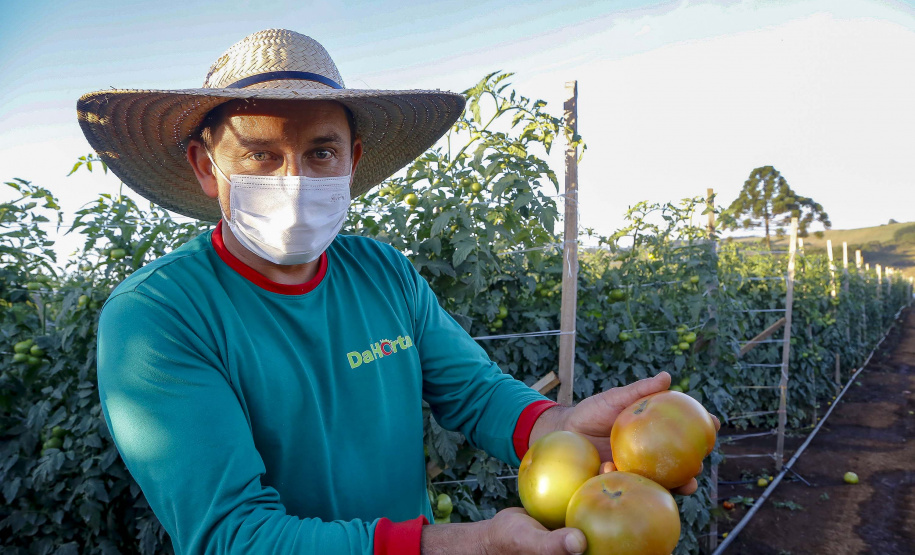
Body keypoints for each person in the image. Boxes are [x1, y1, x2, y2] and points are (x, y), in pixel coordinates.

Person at [79, 29, 718, 555]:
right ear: (205, 165)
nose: (295, 179)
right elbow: (233, 536)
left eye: (321, 153)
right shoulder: (157, 318)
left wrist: (559, 426)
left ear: (353, 160)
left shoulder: (382, 272)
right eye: (260, 155)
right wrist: (470, 544)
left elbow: (475, 393)